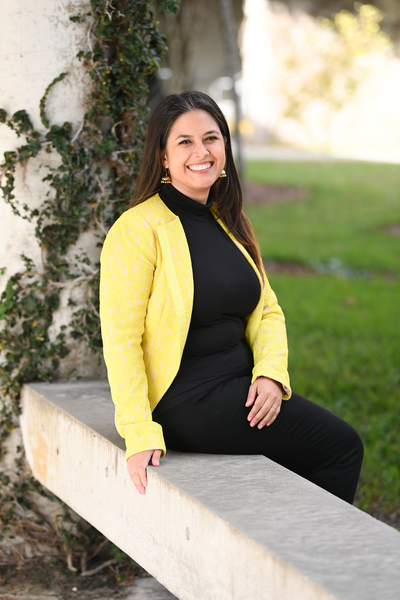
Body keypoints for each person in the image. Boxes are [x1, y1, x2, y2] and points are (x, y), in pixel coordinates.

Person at [100, 90, 363, 504]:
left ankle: (281, 553)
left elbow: (267, 310)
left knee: (308, 456)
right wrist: (138, 430)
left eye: (211, 138)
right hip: (186, 397)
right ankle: (307, 563)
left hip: (238, 385)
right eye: (184, 142)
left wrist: (271, 374)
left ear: (225, 146)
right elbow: (121, 339)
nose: (201, 151)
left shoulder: (229, 221)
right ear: (163, 158)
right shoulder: (138, 229)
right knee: (341, 448)